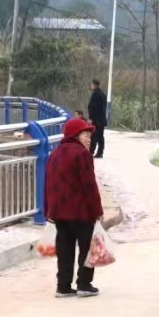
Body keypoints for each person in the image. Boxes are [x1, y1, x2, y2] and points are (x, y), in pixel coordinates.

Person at [45, 117, 104, 298]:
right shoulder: (81, 154)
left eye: (89, 136)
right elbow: (89, 185)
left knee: (65, 250)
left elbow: (48, 184)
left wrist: (48, 209)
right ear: (74, 135)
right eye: (85, 135)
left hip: (60, 213)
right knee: (87, 249)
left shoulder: (54, 154)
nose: (89, 139)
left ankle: (63, 287)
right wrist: (98, 210)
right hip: (81, 212)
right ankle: (84, 284)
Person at [87, 79, 108, 159]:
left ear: (94, 85)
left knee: (94, 136)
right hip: (102, 119)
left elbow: (93, 108)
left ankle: (91, 152)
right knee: (100, 136)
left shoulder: (95, 95)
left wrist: (91, 117)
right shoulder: (103, 94)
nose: (91, 86)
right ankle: (100, 152)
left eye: (91, 85)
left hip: (96, 120)